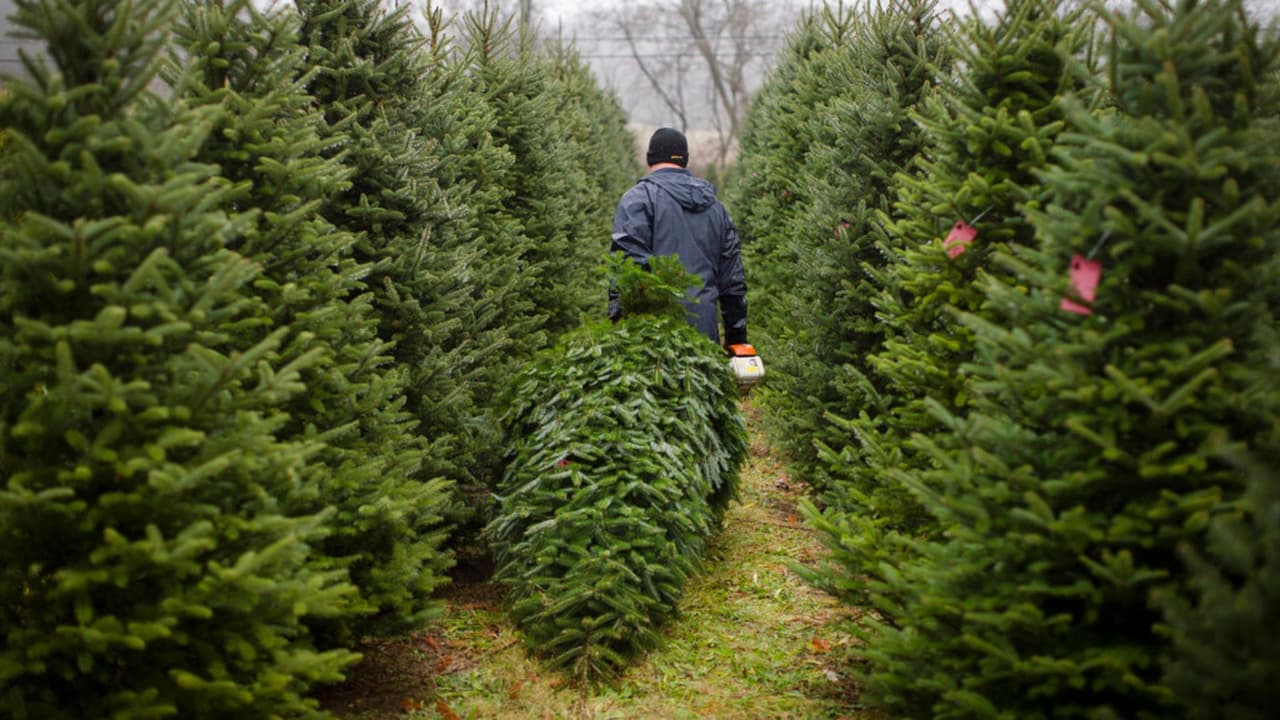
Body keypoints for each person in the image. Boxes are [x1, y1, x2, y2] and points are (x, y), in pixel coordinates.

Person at [609, 127, 748, 346]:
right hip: (705, 338)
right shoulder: (716, 208)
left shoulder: (638, 199)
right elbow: (733, 282)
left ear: (649, 159)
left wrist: (618, 328)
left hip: (652, 342)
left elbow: (628, 270)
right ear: (684, 160)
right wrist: (736, 340)